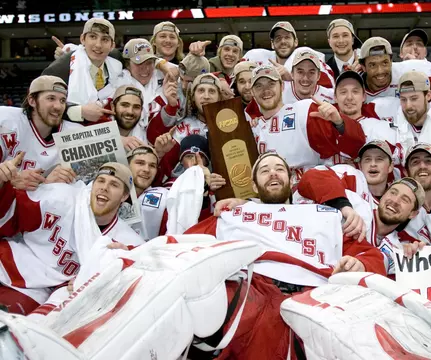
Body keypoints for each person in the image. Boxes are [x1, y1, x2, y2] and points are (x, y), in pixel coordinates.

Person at [184, 152, 385, 359]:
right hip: (255, 292)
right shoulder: (234, 215)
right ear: (254, 186)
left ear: (291, 180)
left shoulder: (323, 214)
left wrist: (359, 264)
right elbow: (184, 246)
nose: (273, 173)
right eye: (264, 170)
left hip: (317, 294)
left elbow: (369, 255)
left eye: (279, 169)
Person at [0, 159, 144, 315]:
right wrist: (2, 183)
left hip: (36, 292)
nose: (104, 188)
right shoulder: (62, 197)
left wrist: (91, 279)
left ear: (124, 196)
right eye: (100, 181)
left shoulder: (127, 243)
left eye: (114, 185)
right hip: (11, 261)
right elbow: (8, 215)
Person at [244, 65, 351, 187]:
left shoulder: (305, 110)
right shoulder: (252, 129)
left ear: (282, 86)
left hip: (310, 190)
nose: (266, 90)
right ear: (252, 92)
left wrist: (339, 124)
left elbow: (349, 147)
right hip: (275, 194)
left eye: (271, 84)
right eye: (259, 86)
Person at [0, 75, 81, 191]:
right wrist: (8, 180)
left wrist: (46, 183)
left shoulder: (75, 133)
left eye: (62, 100)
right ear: (32, 100)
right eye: (51, 98)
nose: (58, 106)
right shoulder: (7, 121)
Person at [357, 37, 431, 116]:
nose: (380, 71)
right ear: (363, 67)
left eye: (385, 63)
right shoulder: (352, 87)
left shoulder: (412, 69)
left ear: (391, 61)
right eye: (372, 65)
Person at [42, 18, 121, 123]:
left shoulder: (117, 62)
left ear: (112, 46)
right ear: (83, 39)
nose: (98, 45)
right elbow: (41, 107)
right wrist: (79, 112)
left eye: (105, 39)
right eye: (93, 37)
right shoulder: (59, 69)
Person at [153, 73, 224, 184]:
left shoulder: (230, 125)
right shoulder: (183, 127)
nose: (206, 96)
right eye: (201, 91)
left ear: (220, 97)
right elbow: (167, 169)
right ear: (192, 97)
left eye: (212, 91)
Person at [242, 21, 334, 89]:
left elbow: (329, 86)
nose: (283, 42)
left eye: (287, 37)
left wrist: (292, 79)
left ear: (296, 42)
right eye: (278, 38)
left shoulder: (306, 55)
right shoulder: (257, 56)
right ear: (272, 44)